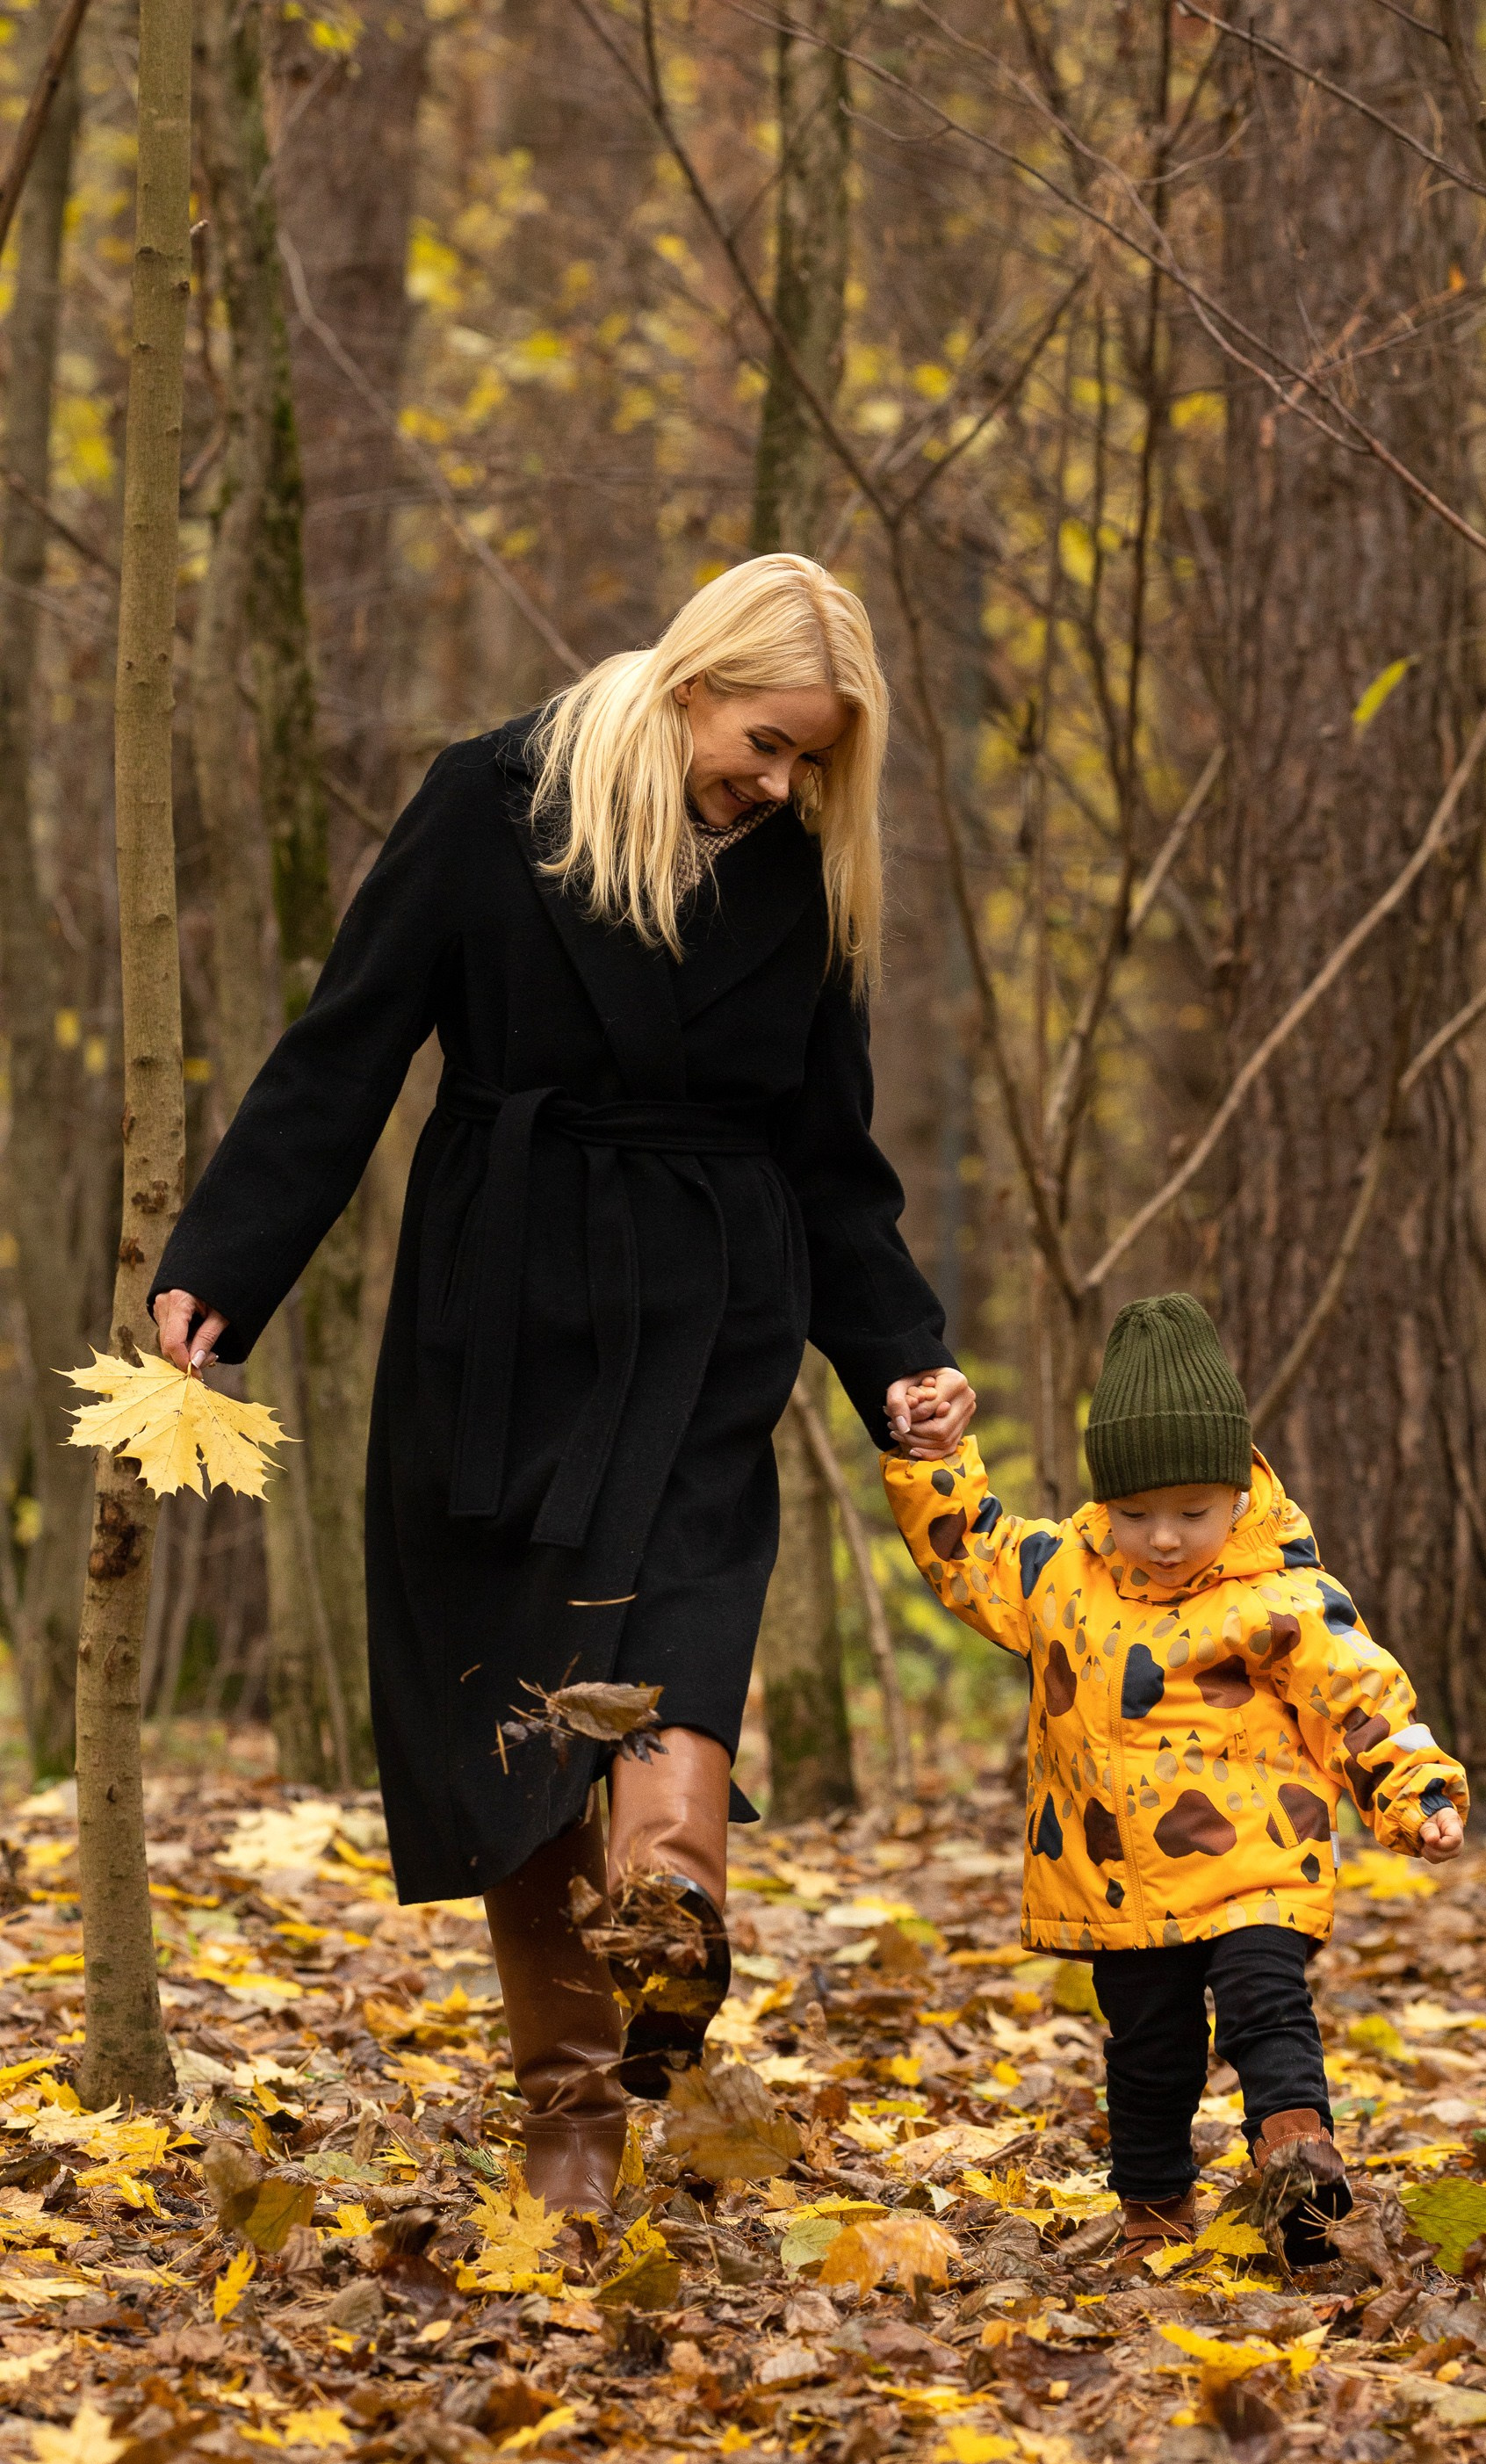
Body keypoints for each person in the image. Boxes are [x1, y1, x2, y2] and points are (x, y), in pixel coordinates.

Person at [151, 553, 975, 2212]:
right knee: (520, 1701)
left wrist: (902, 1357)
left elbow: (830, 1158)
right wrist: (226, 1263)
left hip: (708, 1307)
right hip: (500, 1304)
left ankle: (671, 1902)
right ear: (689, 681)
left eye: (813, 758)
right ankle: (574, 2126)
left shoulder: (810, 883)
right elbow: (350, 1043)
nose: (783, 780)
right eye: (765, 739)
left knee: (678, 1612)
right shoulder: (494, 802)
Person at [884, 1293, 1467, 2269]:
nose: (1160, 1538)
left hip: (1256, 1863)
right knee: (1147, 2049)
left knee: (1261, 2005)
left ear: (1238, 1493)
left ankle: (1297, 2163)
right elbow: (967, 1552)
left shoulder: (1281, 1593)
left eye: (1190, 1513)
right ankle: (1153, 2209)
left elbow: (1359, 1701)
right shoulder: (1058, 1573)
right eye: (1134, 1514)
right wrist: (935, 1460)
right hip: (1121, 1880)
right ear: (1102, 1503)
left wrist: (1416, 1793)